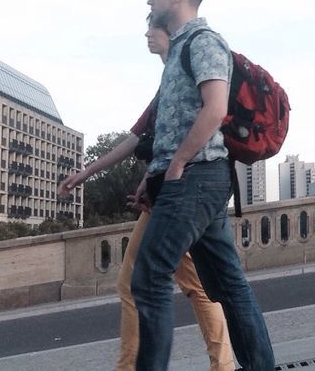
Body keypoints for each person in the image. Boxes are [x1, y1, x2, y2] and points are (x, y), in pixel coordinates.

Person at [59, 21, 234, 371]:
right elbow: (141, 140)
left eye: (153, 29)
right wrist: (89, 174)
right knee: (192, 284)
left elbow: (177, 137)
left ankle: (148, 366)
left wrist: (171, 171)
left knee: (147, 283)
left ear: (171, 34)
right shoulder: (168, 86)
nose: (147, 35)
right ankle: (222, 363)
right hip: (170, 194)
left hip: (181, 194)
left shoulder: (185, 73)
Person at [132, 0, 275, 371]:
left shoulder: (204, 41)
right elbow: (170, 124)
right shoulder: (178, 50)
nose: (149, 0)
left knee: (149, 276)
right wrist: (152, 175)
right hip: (190, 176)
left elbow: (216, 109)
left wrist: (176, 164)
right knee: (228, 286)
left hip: (198, 176)